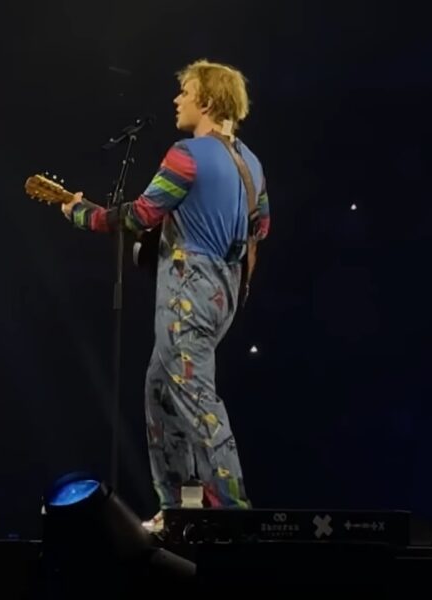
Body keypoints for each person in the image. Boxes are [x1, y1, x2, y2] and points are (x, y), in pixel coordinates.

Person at [59, 60, 270, 532]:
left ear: (207, 101)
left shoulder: (186, 154)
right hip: (224, 292)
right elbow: (261, 227)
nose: (177, 100)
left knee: (194, 397)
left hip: (188, 288)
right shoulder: (252, 164)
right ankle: (178, 506)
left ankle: (234, 512)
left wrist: (80, 212)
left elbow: (139, 215)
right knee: (160, 389)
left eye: (186, 92)